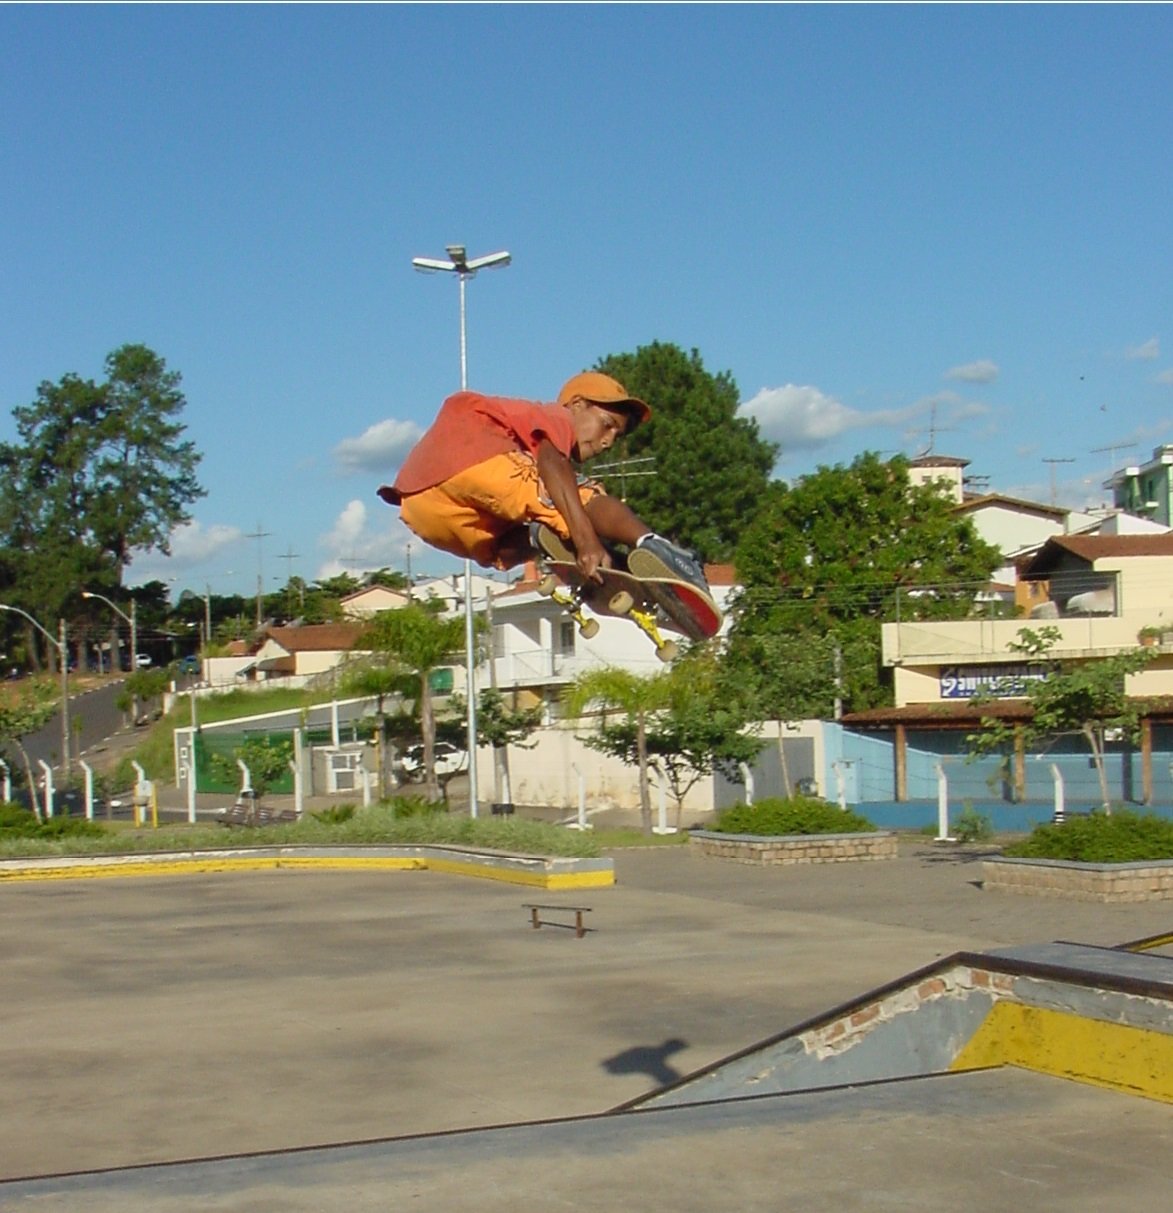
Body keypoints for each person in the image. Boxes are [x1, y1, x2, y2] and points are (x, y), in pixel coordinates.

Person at [378, 371, 710, 596]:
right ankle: (657, 548)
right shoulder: (556, 416)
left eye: (616, 436)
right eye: (607, 425)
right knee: (578, 495)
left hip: (422, 507)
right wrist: (586, 541)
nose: (608, 441)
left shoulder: (517, 456)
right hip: (470, 451)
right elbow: (552, 463)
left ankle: (601, 560)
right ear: (578, 404)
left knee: (517, 540)